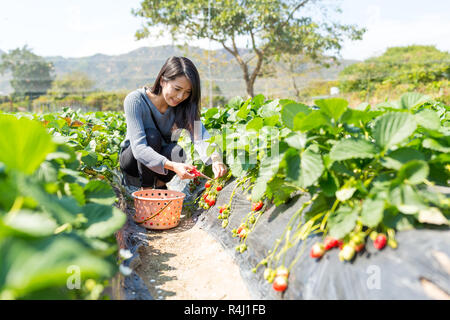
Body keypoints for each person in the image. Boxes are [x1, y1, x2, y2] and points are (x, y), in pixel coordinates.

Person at [119, 56, 227, 190]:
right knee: (152, 136)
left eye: (187, 92)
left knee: (178, 151)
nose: (180, 97)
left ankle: (160, 185)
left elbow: (200, 136)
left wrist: (216, 159)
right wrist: (173, 166)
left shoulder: (183, 106)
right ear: (163, 80)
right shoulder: (135, 100)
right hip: (133, 161)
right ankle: (146, 191)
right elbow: (139, 149)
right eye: (177, 89)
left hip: (162, 165)